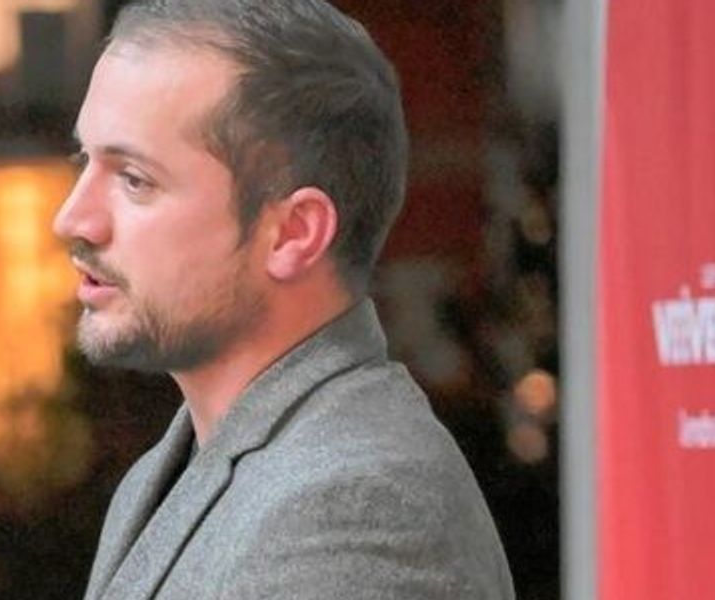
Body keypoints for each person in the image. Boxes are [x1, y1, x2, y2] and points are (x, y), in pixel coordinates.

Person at [52, 0, 516, 598]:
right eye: (84, 161)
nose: (73, 219)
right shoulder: (172, 470)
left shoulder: (356, 508)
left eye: (135, 179)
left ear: (294, 233)